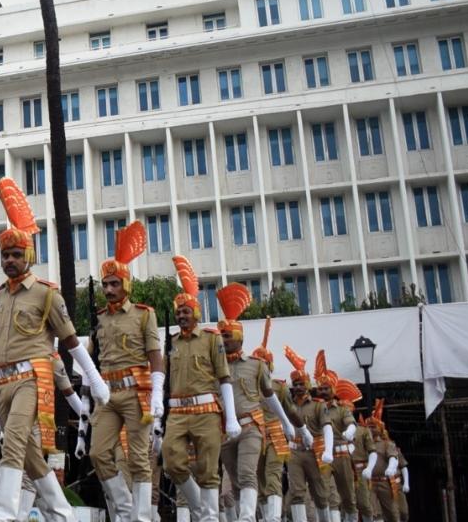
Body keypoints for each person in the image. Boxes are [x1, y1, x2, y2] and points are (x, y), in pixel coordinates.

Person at [0, 178, 94, 522]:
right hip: (1, 384)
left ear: (29, 256)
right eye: (5, 255)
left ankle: (2, 514)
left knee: (12, 441)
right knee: (28, 453)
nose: (10, 260)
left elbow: (70, 340)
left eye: (16, 254)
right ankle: (61, 513)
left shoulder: (46, 294)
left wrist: (94, 382)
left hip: (32, 378)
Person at [87, 221, 159, 522]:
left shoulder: (144, 315)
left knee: (138, 458)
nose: (108, 290)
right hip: (107, 395)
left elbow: (156, 356)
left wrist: (158, 393)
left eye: (114, 284)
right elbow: (90, 355)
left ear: (126, 285)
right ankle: (127, 509)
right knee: (97, 453)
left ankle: (140, 518)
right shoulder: (100, 319)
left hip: (135, 393)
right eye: (105, 284)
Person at [161, 256, 242, 522]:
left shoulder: (211, 339)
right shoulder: (170, 343)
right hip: (177, 412)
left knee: (208, 469)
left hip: (206, 410)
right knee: (171, 462)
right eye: (179, 311)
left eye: (186, 311)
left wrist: (230, 417)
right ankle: (199, 507)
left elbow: (224, 377)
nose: (181, 315)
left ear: (195, 313)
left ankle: (208, 518)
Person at [215, 284, 305, 522]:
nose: (223, 340)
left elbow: (272, 397)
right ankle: (258, 515)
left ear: (239, 337)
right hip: (225, 432)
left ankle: (262, 519)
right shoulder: (214, 366)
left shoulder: (257, 366)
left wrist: (290, 425)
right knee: (236, 482)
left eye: (227, 335)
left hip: (256, 429)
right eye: (220, 335)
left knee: (259, 476)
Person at [250, 319, 303, 522]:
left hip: (276, 435)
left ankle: (273, 517)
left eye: (263, 363)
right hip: (256, 435)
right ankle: (265, 516)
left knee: (272, 474)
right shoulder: (249, 386)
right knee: (259, 477)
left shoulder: (279, 387)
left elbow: (289, 410)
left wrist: (298, 429)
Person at [283, 347, 336, 522]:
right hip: (294, 452)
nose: (297, 387)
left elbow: (327, 426)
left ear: (307, 385)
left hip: (315, 452)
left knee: (320, 493)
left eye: (300, 384)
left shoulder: (319, 406)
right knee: (297, 492)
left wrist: (328, 450)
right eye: (295, 384)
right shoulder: (288, 406)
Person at [314, 351, 356, 522]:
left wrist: (350, 431)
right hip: (322, 456)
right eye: (321, 389)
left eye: (326, 389)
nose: (323, 392)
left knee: (347, 495)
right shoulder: (315, 408)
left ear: (332, 390)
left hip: (341, 455)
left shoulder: (341, 409)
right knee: (323, 492)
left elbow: (351, 422)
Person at [363, 401, 403, 522]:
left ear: (380, 428)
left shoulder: (387, 444)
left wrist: (391, 467)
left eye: (373, 427)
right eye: (368, 427)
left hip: (385, 482)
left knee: (391, 510)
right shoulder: (363, 444)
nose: (370, 430)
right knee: (372, 510)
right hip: (370, 482)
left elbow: (393, 457)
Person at [349, 405, 379, 522]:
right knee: (345, 502)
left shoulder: (363, 431)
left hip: (360, 470)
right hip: (343, 468)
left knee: (364, 503)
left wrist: (370, 468)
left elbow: (372, 451)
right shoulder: (336, 429)